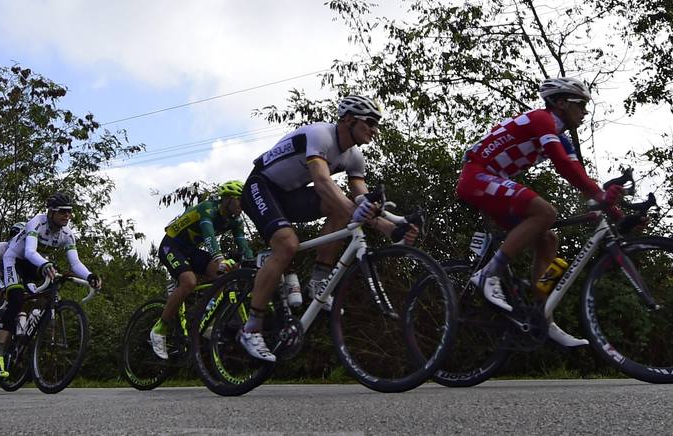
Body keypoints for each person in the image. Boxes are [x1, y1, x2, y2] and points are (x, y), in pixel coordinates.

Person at [238, 95, 415, 362]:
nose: (375, 130)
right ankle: (251, 328)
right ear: (349, 120)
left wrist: (392, 227)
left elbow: (361, 201)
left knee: (342, 209)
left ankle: (319, 281)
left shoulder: (354, 158)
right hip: (260, 186)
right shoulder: (320, 135)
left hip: (289, 195)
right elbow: (322, 182)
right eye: (370, 123)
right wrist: (368, 217)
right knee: (287, 244)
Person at [457, 77, 621, 348]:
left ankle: (543, 317)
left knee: (548, 240)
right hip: (477, 176)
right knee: (545, 213)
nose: (585, 112)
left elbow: (577, 174)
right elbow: (562, 166)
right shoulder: (541, 119)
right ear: (561, 103)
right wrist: (603, 198)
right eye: (581, 104)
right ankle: (488, 274)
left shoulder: (561, 138)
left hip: (491, 181)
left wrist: (616, 213)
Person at [0, 194, 102, 380]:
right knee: (16, 298)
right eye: (63, 212)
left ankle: (27, 330)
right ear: (51, 212)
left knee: (51, 289)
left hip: (34, 264)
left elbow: (75, 263)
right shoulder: (37, 223)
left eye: (69, 212)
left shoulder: (67, 235)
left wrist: (90, 276)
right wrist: (44, 264)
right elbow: (29, 251)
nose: (67, 215)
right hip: (15, 260)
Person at [150, 180, 253, 358]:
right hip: (171, 246)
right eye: (240, 200)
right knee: (189, 282)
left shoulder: (235, 220)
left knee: (224, 275)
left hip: (191, 250)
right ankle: (159, 329)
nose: (243, 205)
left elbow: (244, 247)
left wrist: (252, 263)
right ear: (228, 199)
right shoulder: (207, 209)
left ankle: (208, 320)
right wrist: (220, 259)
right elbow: (209, 237)